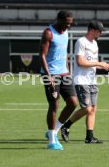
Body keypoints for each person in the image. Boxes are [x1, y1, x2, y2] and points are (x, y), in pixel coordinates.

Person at [60, 21, 109, 143]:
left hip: (91, 80)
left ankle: (89, 137)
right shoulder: (81, 42)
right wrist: (99, 63)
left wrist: (103, 67)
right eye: (99, 31)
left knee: (93, 109)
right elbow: (80, 62)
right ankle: (66, 126)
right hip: (81, 80)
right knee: (87, 109)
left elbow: (91, 64)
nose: (101, 33)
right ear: (92, 30)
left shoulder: (95, 44)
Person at [39, 10, 78, 150]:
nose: (68, 27)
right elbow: (42, 55)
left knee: (73, 103)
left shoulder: (65, 31)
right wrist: (48, 76)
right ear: (59, 20)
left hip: (64, 74)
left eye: (70, 24)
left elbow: (64, 53)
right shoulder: (48, 33)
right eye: (66, 24)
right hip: (51, 75)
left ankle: (54, 130)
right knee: (54, 105)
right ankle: (51, 141)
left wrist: (68, 71)